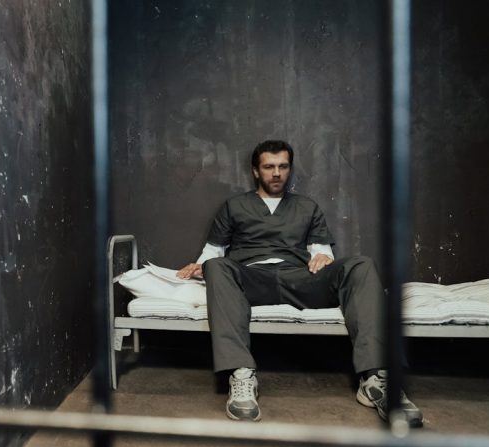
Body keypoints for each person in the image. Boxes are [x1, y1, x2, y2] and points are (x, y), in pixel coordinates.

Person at [176, 140, 423, 427]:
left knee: (361, 264)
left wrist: (322, 257)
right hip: (251, 278)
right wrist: (200, 264)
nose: (277, 173)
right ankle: (241, 375)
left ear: (290, 169)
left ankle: (377, 380)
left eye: (283, 166)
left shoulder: (307, 206)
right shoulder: (234, 206)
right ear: (256, 171)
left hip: (299, 278)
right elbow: (214, 252)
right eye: (269, 167)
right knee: (215, 266)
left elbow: (322, 250)